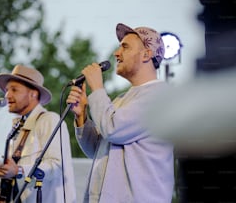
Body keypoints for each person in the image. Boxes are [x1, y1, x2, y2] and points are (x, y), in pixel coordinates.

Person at [66, 23, 174, 203]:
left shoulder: (159, 95)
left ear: (146, 54)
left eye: (125, 46)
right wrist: (82, 115)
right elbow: (96, 149)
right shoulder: (122, 99)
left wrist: (98, 88)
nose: (116, 53)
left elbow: (113, 129)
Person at [0, 65, 76, 203]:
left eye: (14, 89)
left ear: (33, 94)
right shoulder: (17, 126)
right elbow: (12, 167)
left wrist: (19, 171)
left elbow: (56, 166)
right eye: (7, 90)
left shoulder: (50, 119)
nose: (7, 95)